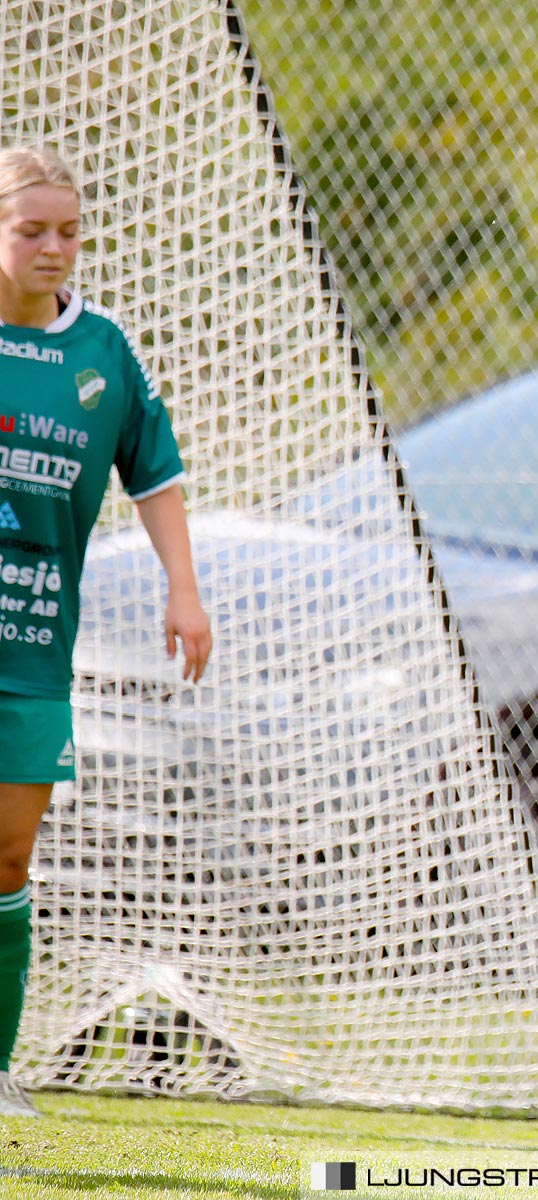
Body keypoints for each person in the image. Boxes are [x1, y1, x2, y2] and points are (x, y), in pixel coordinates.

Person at [0, 146, 211, 1118]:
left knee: (8, 855)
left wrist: (184, 590)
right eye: (30, 229)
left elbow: (154, 473)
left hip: (35, 650)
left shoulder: (103, 354)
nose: (53, 248)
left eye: (68, 232)